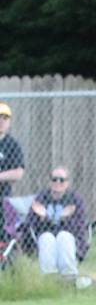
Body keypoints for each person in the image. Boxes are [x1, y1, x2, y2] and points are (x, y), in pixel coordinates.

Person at [22, 166, 90, 277]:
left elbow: (79, 227)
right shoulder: (41, 198)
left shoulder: (75, 199)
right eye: (54, 179)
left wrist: (62, 219)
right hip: (45, 236)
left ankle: (69, 276)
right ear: (50, 182)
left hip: (69, 238)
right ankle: (49, 277)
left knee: (63, 236)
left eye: (62, 180)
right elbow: (30, 224)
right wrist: (43, 218)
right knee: (47, 238)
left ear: (67, 183)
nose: (58, 182)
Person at [0, 102, 25, 244]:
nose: (1, 121)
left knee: (4, 231)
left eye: (5, 118)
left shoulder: (12, 144)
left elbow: (18, 173)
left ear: (9, 122)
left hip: (3, 196)